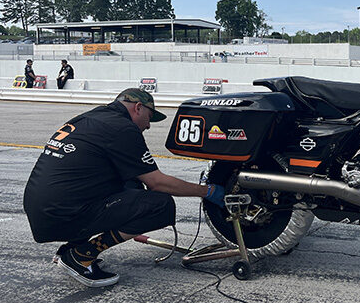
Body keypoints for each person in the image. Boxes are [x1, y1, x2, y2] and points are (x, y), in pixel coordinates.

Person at [23, 88, 226, 288]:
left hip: (44, 209)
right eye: (149, 117)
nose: (148, 126)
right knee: (159, 205)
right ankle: (81, 256)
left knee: (132, 184)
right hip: (62, 214)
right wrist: (207, 191)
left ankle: (70, 247)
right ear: (138, 108)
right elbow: (157, 183)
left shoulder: (91, 118)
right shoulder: (122, 128)